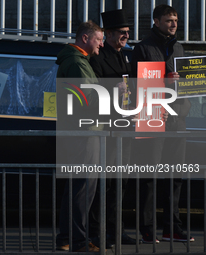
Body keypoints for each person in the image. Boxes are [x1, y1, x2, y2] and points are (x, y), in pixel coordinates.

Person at [131, 4, 194, 243]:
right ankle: (147, 228)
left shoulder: (179, 47)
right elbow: (138, 86)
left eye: (176, 20)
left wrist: (185, 99)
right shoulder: (143, 48)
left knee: (174, 176)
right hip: (153, 119)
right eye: (169, 20)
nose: (174, 24)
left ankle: (172, 227)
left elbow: (187, 85)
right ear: (156, 22)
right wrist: (165, 85)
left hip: (177, 120)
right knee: (149, 176)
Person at [89, 9, 137, 246]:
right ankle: (99, 232)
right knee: (104, 183)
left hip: (125, 127)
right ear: (108, 34)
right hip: (107, 128)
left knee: (121, 181)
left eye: (128, 32)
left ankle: (117, 230)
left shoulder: (124, 56)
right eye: (122, 32)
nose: (126, 36)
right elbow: (90, 93)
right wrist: (111, 90)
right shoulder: (97, 57)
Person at [55, 20, 104, 252]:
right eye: (99, 39)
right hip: (84, 132)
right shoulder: (77, 63)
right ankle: (77, 240)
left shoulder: (78, 61)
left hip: (80, 131)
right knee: (83, 188)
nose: (101, 45)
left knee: (77, 187)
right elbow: (87, 101)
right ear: (85, 38)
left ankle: (67, 238)